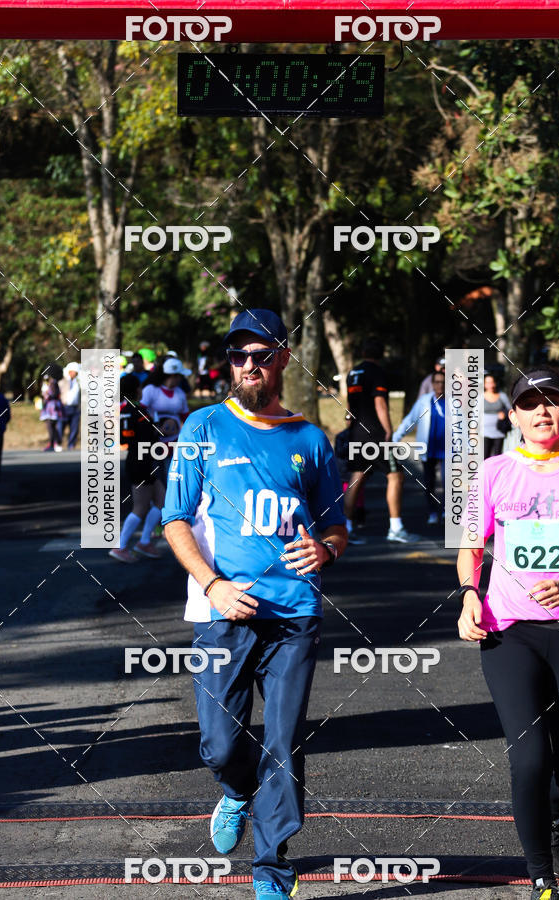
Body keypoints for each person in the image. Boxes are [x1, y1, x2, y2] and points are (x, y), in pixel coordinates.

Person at [162, 308, 347, 900]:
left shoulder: (309, 438)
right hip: (225, 611)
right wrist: (213, 584)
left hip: (294, 614)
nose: (247, 366)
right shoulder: (202, 427)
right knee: (219, 742)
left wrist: (327, 550)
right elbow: (174, 520)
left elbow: (336, 528)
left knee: (284, 739)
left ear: (282, 359)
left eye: (259, 355)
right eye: (238, 356)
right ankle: (236, 790)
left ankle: (272, 868)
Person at [457, 367, 559, 900]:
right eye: (530, 404)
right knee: (528, 757)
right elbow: (470, 546)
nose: (541, 413)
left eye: (551, 402)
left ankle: (550, 805)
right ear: (513, 416)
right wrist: (468, 595)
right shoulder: (489, 471)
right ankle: (541, 875)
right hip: (509, 632)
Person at [345, 338, 417, 543]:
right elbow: (380, 403)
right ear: (381, 355)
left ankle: (347, 528)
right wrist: (388, 429)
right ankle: (395, 527)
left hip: (356, 432)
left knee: (356, 478)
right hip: (374, 433)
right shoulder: (377, 372)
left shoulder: (353, 373)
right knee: (395, 476)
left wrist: (349, 425)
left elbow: (350, 405)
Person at [110, 374, 164, 563]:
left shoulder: (125, 409)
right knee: (140, 507)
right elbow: (150, 436)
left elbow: (124, 439)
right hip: (140, 460)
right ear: (135, 389)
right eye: (140, 387)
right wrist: (159, 430)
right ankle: (121, 545)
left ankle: (145, 541)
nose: (142, 390)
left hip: (137, 458)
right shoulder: (139, 411)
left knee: (161, 500)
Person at [393, 370, 445, 524]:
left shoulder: (453, 402)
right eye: (437, 382)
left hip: (448, 450)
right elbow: (410, 420)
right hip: (428, 448)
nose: (440, 385)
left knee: (448, 482)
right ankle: (432, 512)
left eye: (443, 382)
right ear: (432, 384)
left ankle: (446, 511)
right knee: (429, 482)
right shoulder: (424, 401)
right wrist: (396, 437)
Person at [483, 373, 511, 458]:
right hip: (484, 432)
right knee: (485, 456)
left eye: (492, 382)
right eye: (487, 383)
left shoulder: (502, 396)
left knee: (497, 456)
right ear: (484, 384)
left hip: (499, 431)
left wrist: (504, 414)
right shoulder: (480, 397)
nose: (490, 385)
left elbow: (510, 410)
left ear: (495, 383)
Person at [57, 362, 81, 450]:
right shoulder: (63, 380)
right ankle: (58, 443)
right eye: (74, 371)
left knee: (74, 428)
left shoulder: (78, 381)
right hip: (64, 407)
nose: (75, 373)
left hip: (75, 407)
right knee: (61, 426)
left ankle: (71, 445)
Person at [39, 375, 63, 452]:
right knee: (50, 425)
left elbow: (55, 394)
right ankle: (54, 443)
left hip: (53, 407)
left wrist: (48, 394)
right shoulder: (46, 383)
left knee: (51, 425)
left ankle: (54, 443)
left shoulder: (53, 382)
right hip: (48, 407)